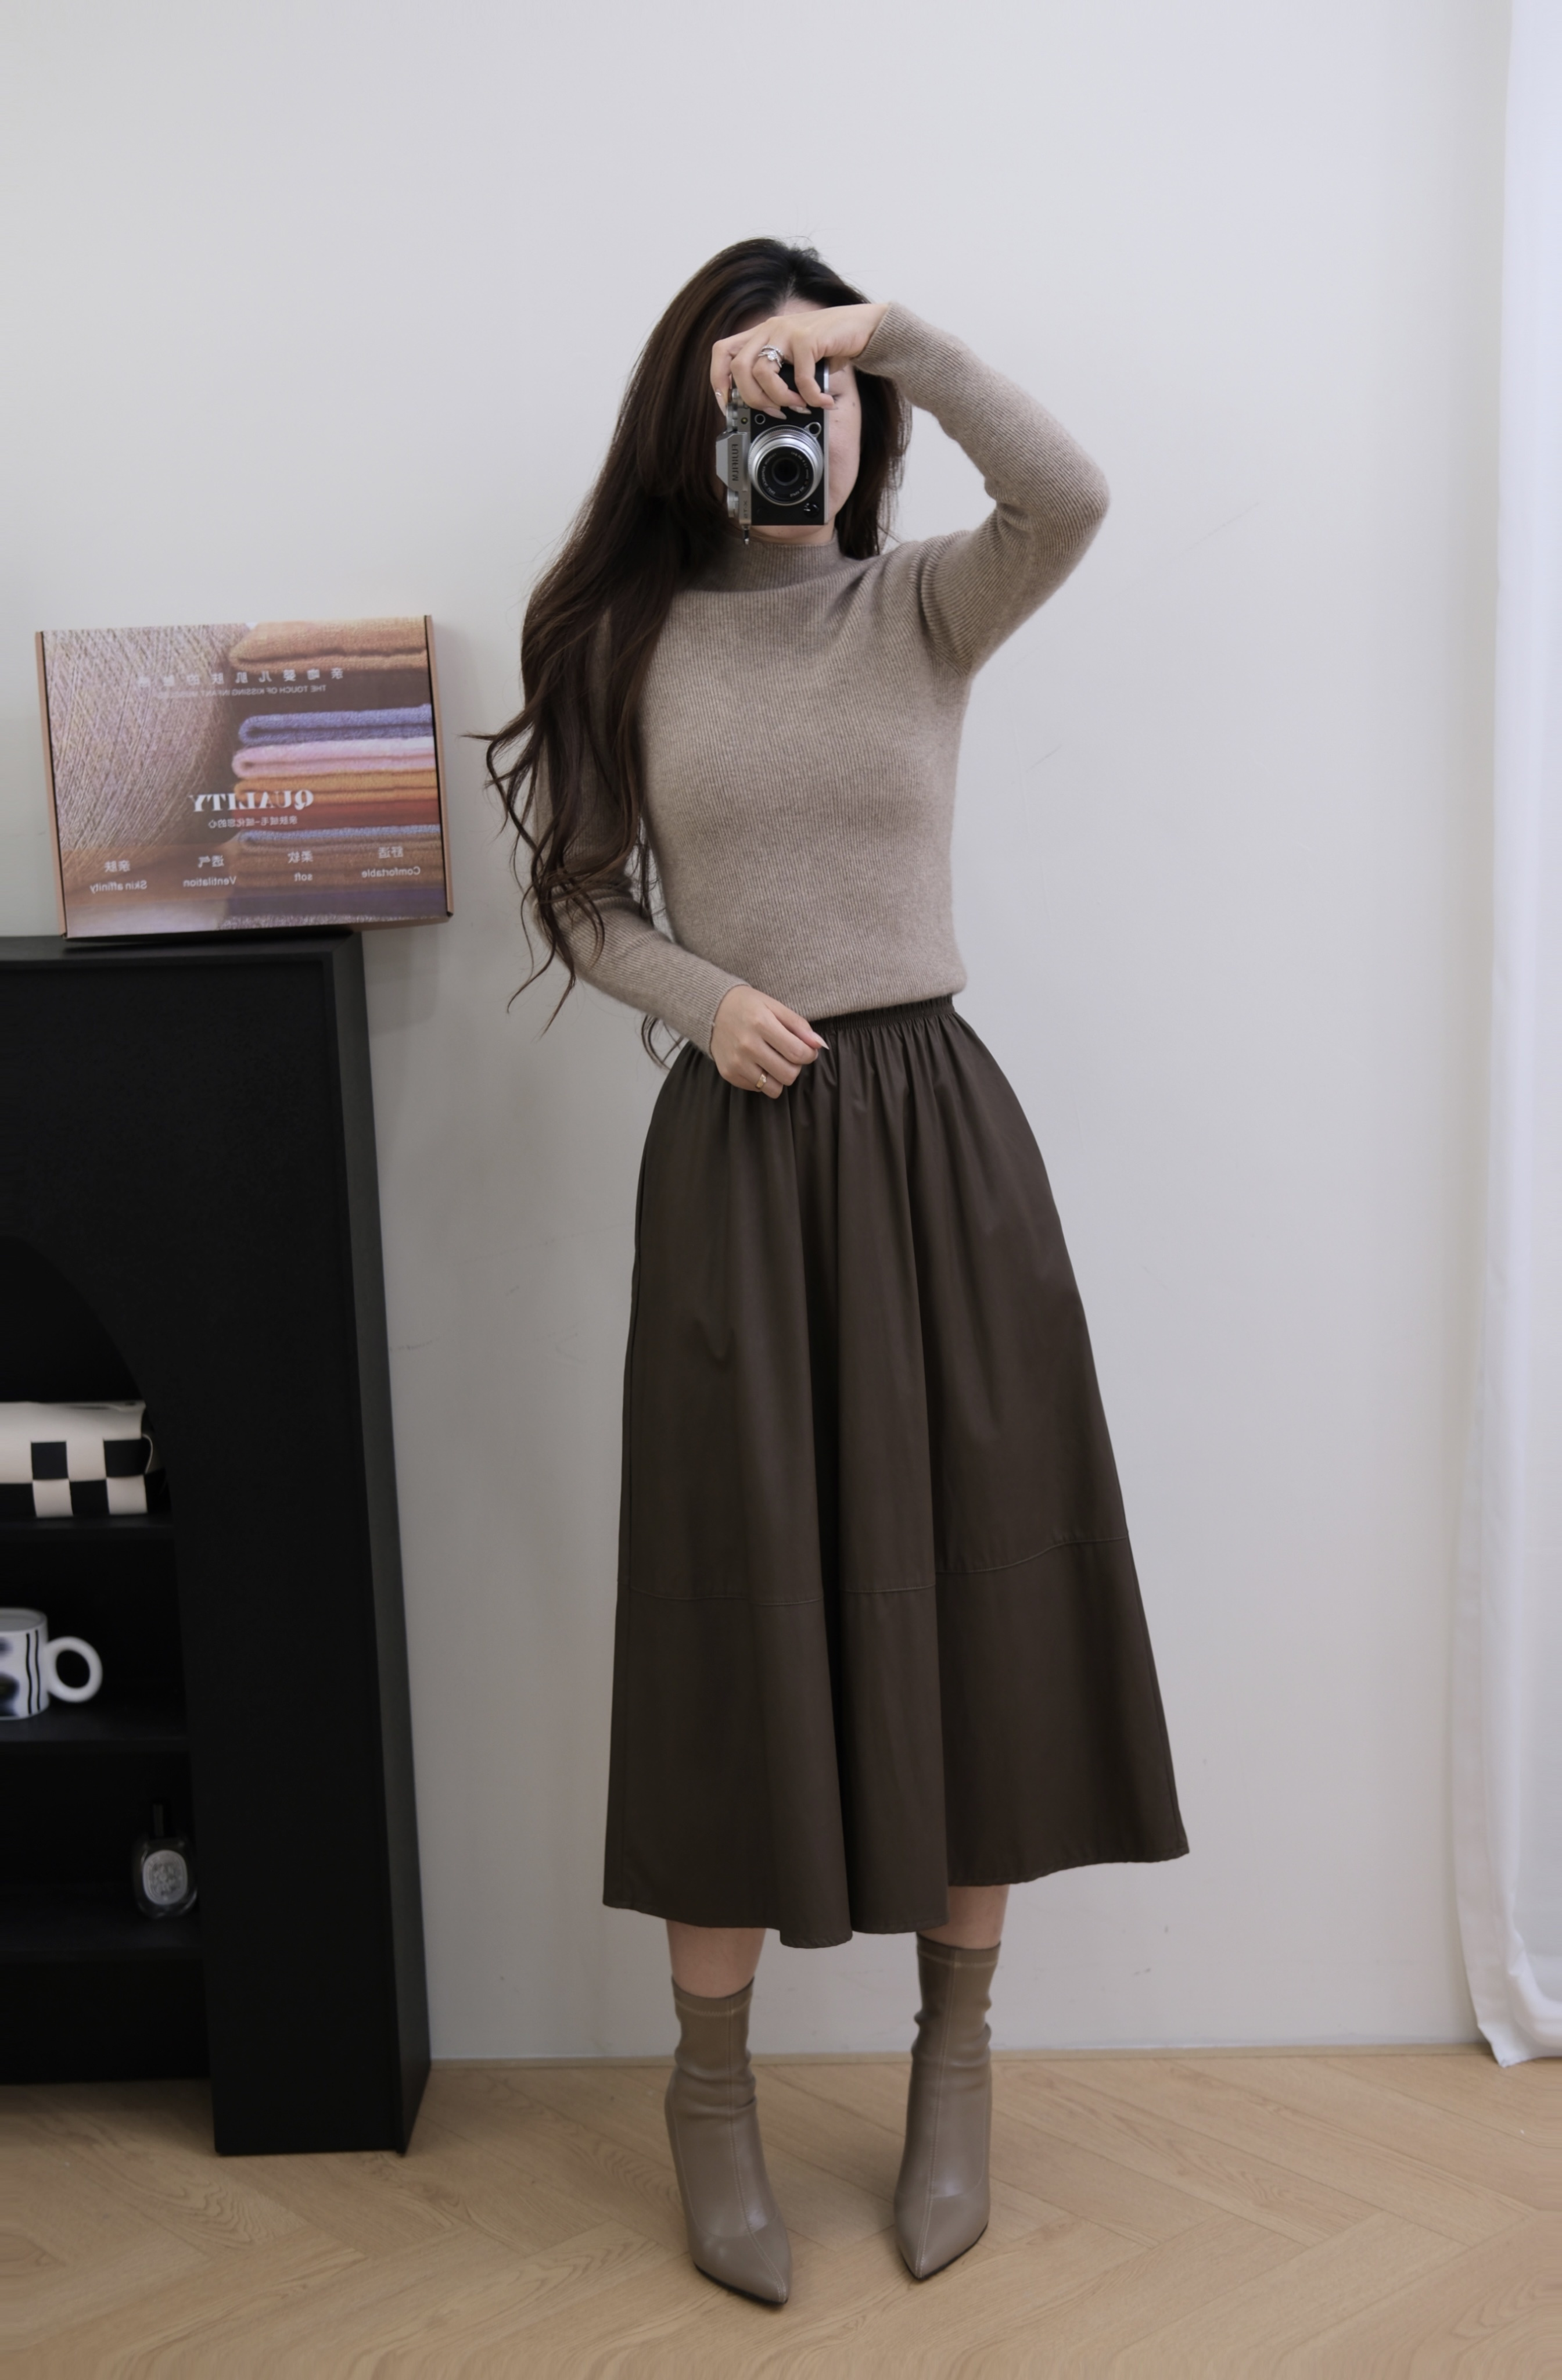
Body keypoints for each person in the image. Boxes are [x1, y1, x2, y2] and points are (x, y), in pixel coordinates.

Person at [489, 236, 1187, 2306]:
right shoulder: (618, 636)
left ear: (864, 416)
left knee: (979, 1586)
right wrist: (701, 1000)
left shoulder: (923, 605)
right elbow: (580, 895)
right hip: (741, 1149)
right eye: (754, 387)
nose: (794, 421)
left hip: (940, 1148)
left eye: (821, 390)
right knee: (739, 1603)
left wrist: (890, 336)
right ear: (687, 421)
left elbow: (1070, 490)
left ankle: (950, 2071)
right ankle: (706, 2095)